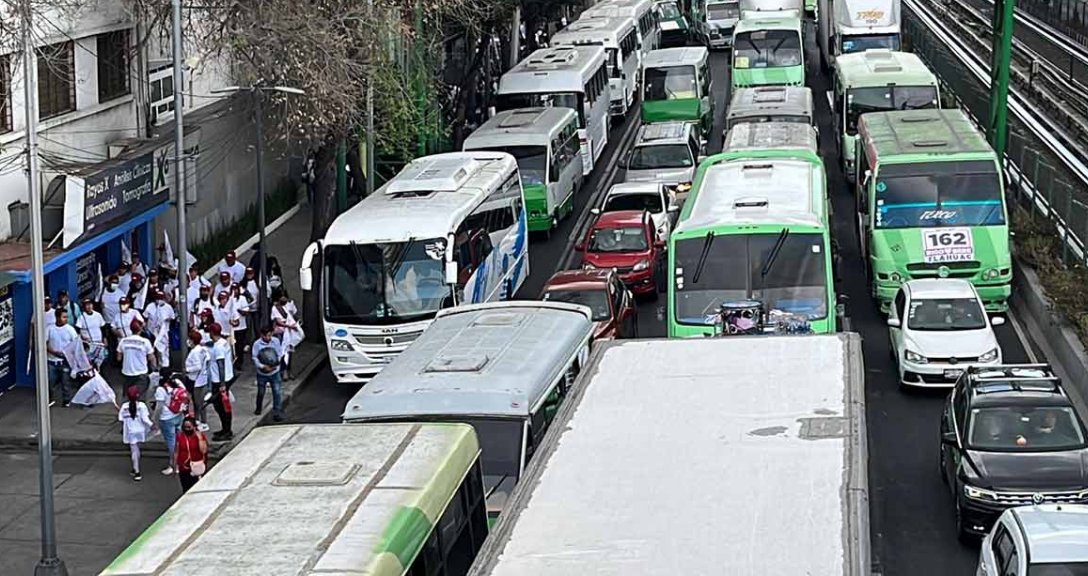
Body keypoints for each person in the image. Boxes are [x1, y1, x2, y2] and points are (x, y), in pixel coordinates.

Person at [153, 375, 188, 476]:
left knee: (171, 443)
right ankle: (180, 463)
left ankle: (173, 465)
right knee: (178, 441)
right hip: (178, 415)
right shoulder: (177, 383)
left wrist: (155, 419)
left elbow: (159, 407)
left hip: (166, 419)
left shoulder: (161, 389)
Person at [205, 323, 235, 441]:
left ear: (212, 333)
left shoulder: (218, 348)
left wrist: (222, 384)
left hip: (219, 381)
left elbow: (220, 365)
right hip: (226, 378)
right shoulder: (223, 342)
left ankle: (227, 431)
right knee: (222, 406)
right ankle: (225, 429)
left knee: (221, 407)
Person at [119, 385, 154, 482]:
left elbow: (120, 419)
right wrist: (152, 425)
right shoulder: (142, 406)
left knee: (134, 450)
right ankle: (135, 466)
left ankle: (137, 470)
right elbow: (145, 419)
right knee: (137, 449)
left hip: (130, 431)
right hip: (140, 430)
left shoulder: (124, 406)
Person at [46, 309, 79, 406]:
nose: (66, 319)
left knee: (66, 382)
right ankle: (50, 399)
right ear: (57, 317)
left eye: (66, 317)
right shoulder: (50, 328)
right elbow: (44, 343)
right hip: (51, 360)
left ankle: (66, 400)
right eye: (63, 317)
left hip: (65, 361)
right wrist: (53, 352)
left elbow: (75, 344)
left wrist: (68, 354)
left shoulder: (70, 329)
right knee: (50, 382)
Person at [252, 325, 284, 421]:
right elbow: (254, 357)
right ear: (262, 335)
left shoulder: (276, 341)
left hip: (275, 372)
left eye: (270, 335)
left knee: (277, 392)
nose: (268, 338)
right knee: (261, 392)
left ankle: (277, 412)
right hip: (262, 373)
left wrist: (275, 365)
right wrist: (262, 367)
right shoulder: (257, 344)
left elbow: (279, 354)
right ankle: (258, 407)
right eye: (266, 336)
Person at [118, 318, 156, 398]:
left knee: (127, 397)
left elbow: (118, 358)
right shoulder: (145, 342)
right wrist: (154, 369)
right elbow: (151, 358)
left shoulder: (123, 341)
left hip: (127, 373)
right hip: (141, 373)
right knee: (140, 397)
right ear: (141, 329)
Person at [271, 293, 303, 380]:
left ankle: (289, 370)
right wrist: (289, 326)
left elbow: (293, 315)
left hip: (290, 332)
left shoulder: (290, 305)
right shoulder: (275, 308)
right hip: (281, 332)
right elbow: (278, 321)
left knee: (289, 351)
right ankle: (283, 371)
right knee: (282, 351)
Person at [184, 331, 211, 431]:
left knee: (199, 403)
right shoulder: (202, 350)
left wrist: (187, 370)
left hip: (196, 380)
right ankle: (198, 420)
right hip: (200, 379)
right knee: (197, 402)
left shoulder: (195, 352)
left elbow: (198, 366)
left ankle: (203, 422)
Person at [175, 416, 208, 493]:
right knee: (186, 488)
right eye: (185, 427)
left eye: (189, 427)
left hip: (197, 467)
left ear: (194, 427)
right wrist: (174, 465)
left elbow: (203, 450)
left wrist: (199, 438)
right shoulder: (180, 436)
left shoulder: (200, 436)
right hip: (184, 467)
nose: (187, 429)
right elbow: (176, 451)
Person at [77, 298, 108, 368]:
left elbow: (103, 327)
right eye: (87, 305)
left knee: (100, 363)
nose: (89, 306)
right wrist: (82, 338)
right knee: (89, 364)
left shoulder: (98, 315)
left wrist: (105, 339)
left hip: (99, 343)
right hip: (88, 345)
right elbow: (77, 330)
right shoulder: (81, 317)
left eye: (90, 304)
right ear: (84, 307)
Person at [230, 283, 251, 368]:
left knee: (239, 345)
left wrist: (239, 311)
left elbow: (246, 311)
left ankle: (239, 362)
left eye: (236, 289)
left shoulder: (242, 298)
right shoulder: (229, 299)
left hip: (241, 326)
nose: (234, 291)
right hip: (231, 327)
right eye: (233, 289)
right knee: (233, 346)